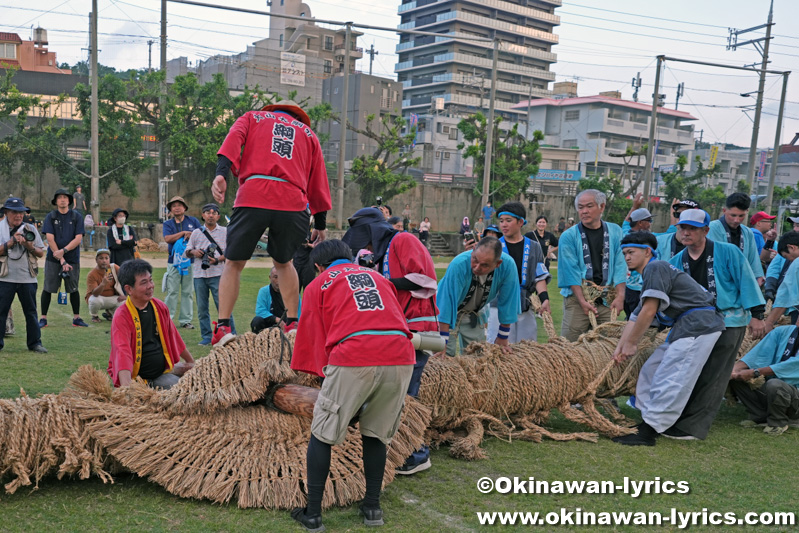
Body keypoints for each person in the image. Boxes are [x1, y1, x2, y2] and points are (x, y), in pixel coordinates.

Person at [289, 240, 415, 531]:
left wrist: (320, 375)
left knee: (322, 433)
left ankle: (313, 513)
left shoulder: (319, 283)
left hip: (355, 354)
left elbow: (313, 335)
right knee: (376, 434)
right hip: (401, 355)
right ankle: (372, 507)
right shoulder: (380, 278)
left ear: (319, 265)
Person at [211, 100, 331, 346]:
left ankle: (222, 327)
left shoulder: (253, 117)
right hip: (294, 201)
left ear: (271, 110)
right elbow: (318, 178)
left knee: (234, 263)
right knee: (285, 263)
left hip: (253, 193)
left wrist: (221, 174)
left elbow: (231, 142)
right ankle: (293, 323)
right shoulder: (309, 134)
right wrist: (320, 221)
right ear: (298, 117)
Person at [342, 207, 439, 476]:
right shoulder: (381, 251)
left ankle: (415, 453)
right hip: (395, 328)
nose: (365, 245)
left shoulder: (404, 240)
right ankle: (396, 449)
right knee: (389, 392)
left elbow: (425, 280)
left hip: (415, 327)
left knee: (406, 394)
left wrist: (379, 279)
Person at [610, 231, 725, 446]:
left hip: (699, 325)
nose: (627, 257)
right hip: (686, 326)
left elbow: (648, 311)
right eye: (624, 253)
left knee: (671, 377)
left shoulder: (656, 267)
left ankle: (648, 432)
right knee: (651, 370)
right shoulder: (650, 275)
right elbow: (634, 318)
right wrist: (620, 348)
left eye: (631, 252)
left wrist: (632, 344)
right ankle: (649, 419)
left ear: (647, 252)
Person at [666, 209, 766, 440]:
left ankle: (693, 428)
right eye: (683, 227)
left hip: (729, 321)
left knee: (715, 375)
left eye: (692, 228)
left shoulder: (728, 252)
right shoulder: (676, 261)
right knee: (690, 372)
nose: (686, 232)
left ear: (706, 231)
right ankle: (678, 418)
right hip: (695, 325)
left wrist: (757, 314)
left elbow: (746, 281)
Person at [108, 259, 195, 389]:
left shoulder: (159, 307)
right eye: (144, 282)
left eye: (151, 280)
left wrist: (191, 363)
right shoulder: (122, 315)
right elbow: (122, 352)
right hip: (138, 378)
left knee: (199, 378)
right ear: (129, 289)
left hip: (162, 371)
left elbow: (174, 337)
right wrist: (126, 390)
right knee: (182, 389)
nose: (150, 286)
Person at [557, 189, 626, 341]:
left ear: (602, 207)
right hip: (577, 299)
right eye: (580, 208)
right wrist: (582, 301)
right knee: (570, 346)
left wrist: (620, 296)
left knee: (609, 346)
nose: (584, 211)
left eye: (589, 206)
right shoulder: (568, 236)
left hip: (607, 298)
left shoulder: (615, 231)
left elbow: (621, 265)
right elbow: (570, 271)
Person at [436, 236, 520, 356]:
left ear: (497, 264)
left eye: (485, 265)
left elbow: (509, 301)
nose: (477, 267)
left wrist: (503, 336)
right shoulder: (459, 264)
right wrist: (441, 342)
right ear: (474, 248)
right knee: (443, 357)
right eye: (475, 259)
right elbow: (446, 303)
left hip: (474, 313)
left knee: (476, 356)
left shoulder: (507, 266)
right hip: (446, 312)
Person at [488, 202, 550, 343]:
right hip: (499, 305)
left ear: (520, 222)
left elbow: (539, 276)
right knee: (498, 351)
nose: (504, 225)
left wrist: (544, 299)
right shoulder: (493, 246)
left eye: (508, 221)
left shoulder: (534, 247)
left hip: (525, 305)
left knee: (526, 350)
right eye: (501, 221)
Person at [730, 325, 799, 436]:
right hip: (774, 388)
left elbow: (793, 366)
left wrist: (755, 372)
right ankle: (759, 415)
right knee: (737, 377)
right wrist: (733, 370)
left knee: (775, 385)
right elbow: (759, 354)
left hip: (795, 395)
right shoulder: (782, 331)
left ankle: (778, 422)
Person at [184, 203, 235, 346]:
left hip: (219, 274)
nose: (211, 215)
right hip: (199, 275)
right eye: (207, 212)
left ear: (218, 216)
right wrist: (194, 252)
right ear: (203, 215)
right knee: (202, 308)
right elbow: (187, 251)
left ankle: (231, 333)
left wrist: (217, 259)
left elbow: (231, 252)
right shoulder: (196, 232)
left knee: (223, 306)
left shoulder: (225, 232)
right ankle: (207, 336)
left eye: (214, 213)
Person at [0, 197, 47, 353]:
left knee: (31, 312)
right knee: (1, 311)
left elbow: (40, 252)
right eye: (14, 212)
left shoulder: (29, 229)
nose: (19, 216)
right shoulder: (0, 228)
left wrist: (29, 246)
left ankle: (35, 343)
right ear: (6, 212)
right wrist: (11, 242)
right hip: (4, 277)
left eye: (21, 212)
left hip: (27, 277)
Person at [39, 188, 88, 328]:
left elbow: (78, 238)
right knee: (48, 288)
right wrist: (61, 258)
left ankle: (76, 318)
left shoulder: (77, 216)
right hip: (53, 258)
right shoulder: (51, 216)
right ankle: (43, 318)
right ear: (56, 201)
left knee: (73, 288)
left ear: (69, 201)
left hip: (72, 258)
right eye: (59, 197)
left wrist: (64, 251)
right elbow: (49, 238)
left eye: (65, 197)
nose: (62, 200)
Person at [708, 192, 764, 285]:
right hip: (717, 282)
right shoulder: (712, 228)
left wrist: (757, 278)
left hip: (742, 282)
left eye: (741, 216)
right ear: (724, 210)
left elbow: (753, 260)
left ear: (747, 212)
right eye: (733, 215)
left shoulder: (747, 232)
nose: (736, 220)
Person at [162, 196, 201, 329]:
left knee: (187, 291)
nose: (177, 207)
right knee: (172, 291)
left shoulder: (193, 221)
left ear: (184, 208)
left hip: (190, 261)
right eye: (174, 206)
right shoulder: (168, 224)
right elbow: (167, 238)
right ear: (171, 210)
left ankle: (186, 320)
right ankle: (168, 320)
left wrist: (192, 234)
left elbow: (201, 235)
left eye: (179, 205)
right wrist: (184, 233)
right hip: (173, 261)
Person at [763, 232, 799, 333]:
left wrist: (769, 322)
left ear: (792, 247)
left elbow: (785, 295)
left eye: (787, 256)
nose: (789, 260)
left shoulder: (796, 263)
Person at [251, 268, 302, 333]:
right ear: (270, 278)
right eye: (275, 277)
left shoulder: (293, 293)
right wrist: (277, 320)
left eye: (281, 277)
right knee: (257, 321)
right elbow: (260, 311)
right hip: (270, 324)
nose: (279, 280)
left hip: (288, 324)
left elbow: (299, 314)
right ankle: (259, 341)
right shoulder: (263, 291)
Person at [85, 248, 125, 323]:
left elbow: (127, 278)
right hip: (99, 298)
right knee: (95, 300)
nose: (104, 261)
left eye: (106, 258)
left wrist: (125, 295)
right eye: (101, 258)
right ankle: (95, 316)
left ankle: (110, 313)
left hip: (112, 298)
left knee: (125, 301)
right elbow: (95, 294)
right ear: (96, 260)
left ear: (109, 259)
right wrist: (103, 284)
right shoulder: (92, 274)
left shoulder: (113, 268)